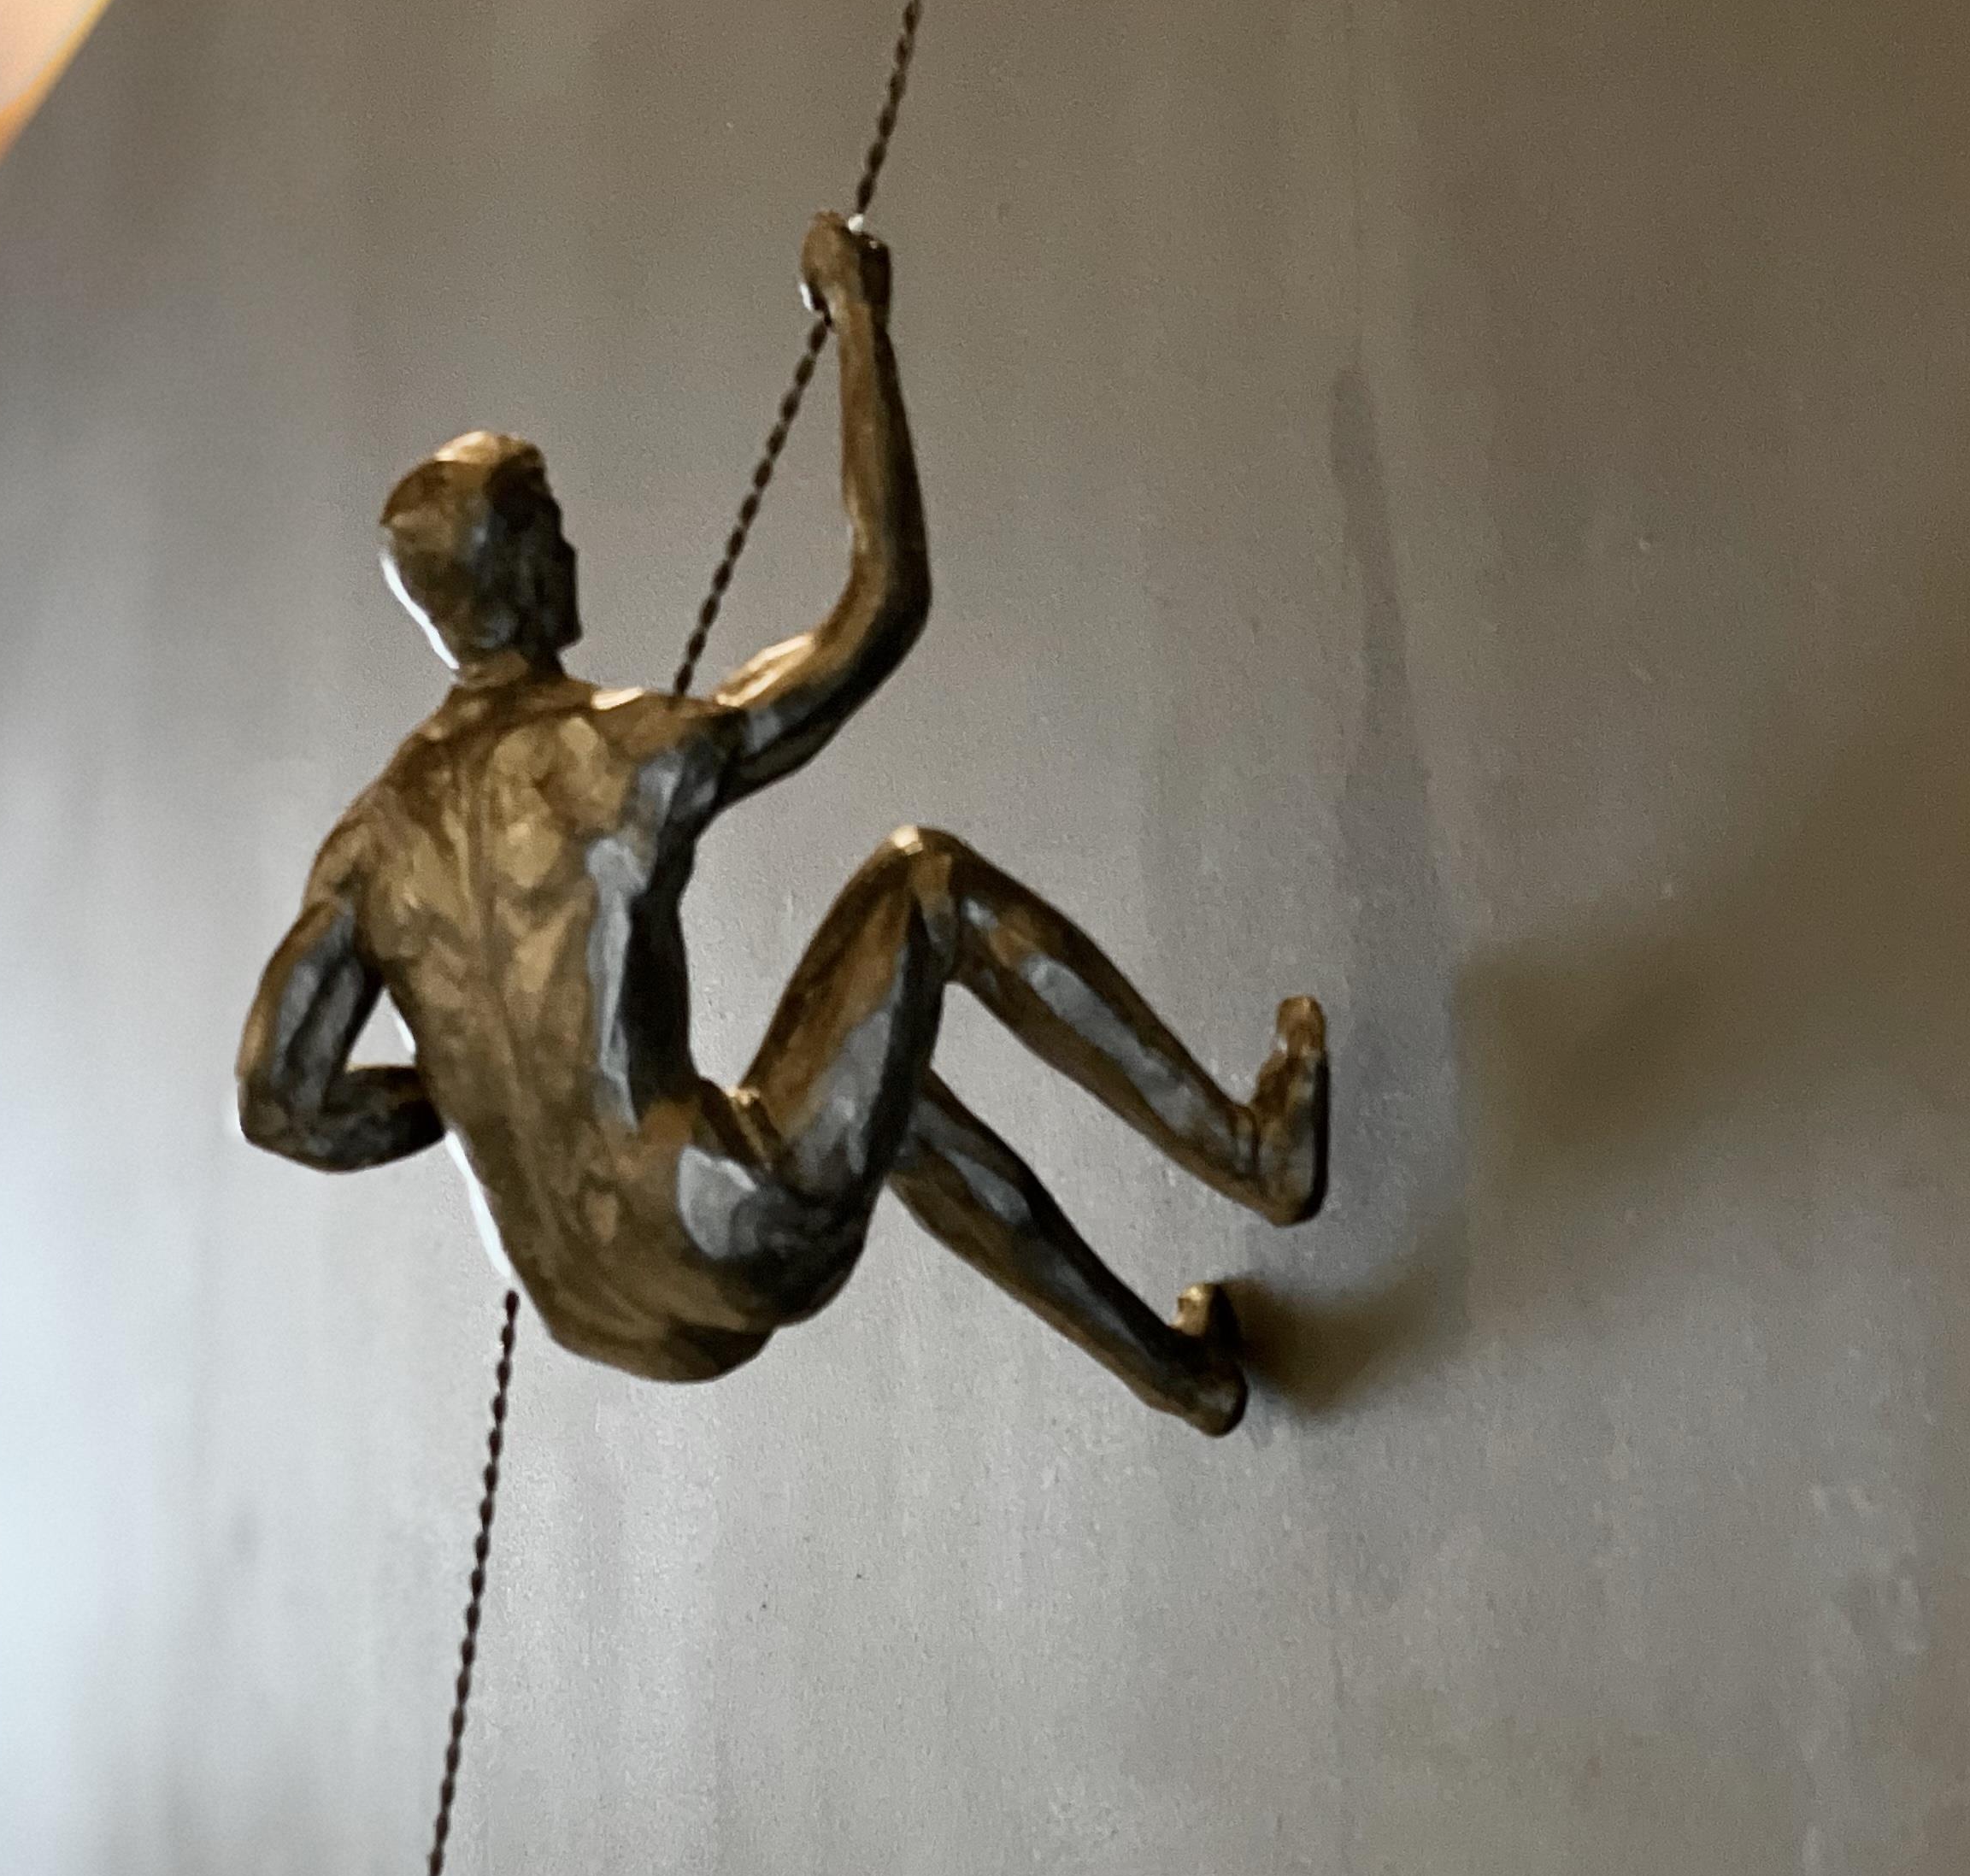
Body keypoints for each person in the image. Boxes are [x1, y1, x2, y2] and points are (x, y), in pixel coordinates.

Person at [238, 212, 1328, 1432]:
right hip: (726, 1235)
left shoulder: (369, 845)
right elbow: (880, 608)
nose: (572, 544)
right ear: (522, 563)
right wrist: (860, 322)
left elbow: (283, 1105)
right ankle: (1251, 1153)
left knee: (876, 1095)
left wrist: (478, 1081)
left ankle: (1185, 1377)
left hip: (594, 1317)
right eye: (551, 525)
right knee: (926, 885)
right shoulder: (614, 754)